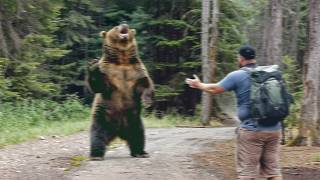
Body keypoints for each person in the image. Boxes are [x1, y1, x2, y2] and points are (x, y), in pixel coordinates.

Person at [185, 45, 282, 180]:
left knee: (247, 174)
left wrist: (199, 85)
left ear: (241, 58)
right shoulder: (269, 73)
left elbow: (215, 89)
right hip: (274, 129)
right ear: (254, 58)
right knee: (273, 172)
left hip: (252, 131)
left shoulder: (237, 75)